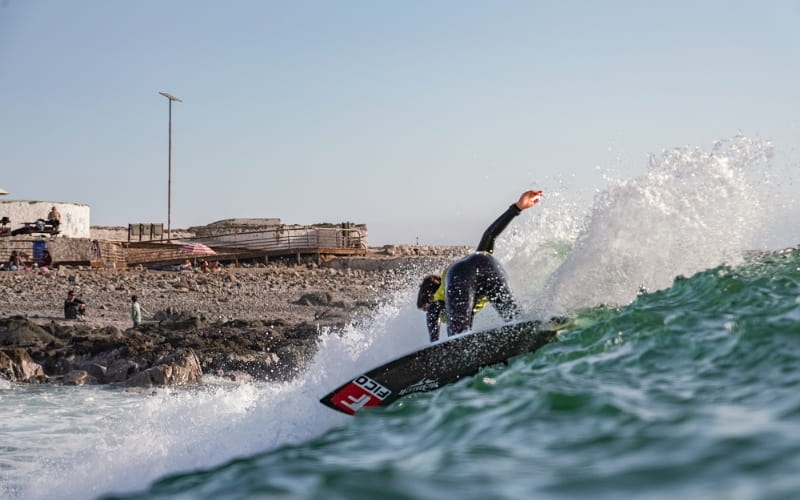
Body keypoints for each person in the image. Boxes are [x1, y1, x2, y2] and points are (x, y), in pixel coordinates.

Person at [417, 189, 543, 342]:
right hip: (487, 263)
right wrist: (517, 208)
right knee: (516, 321)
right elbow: (489, 235)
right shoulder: (457, 291)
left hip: (460, 274)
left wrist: (434, 343)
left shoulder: (439, 298)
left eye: (424, 307)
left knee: (458, 339)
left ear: (429, 297)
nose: (427, 310)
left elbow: (433, 311)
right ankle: (534, 331)